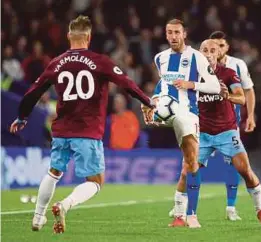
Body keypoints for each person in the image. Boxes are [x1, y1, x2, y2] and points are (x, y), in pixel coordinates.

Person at [10, 15, 154, 234]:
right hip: (87, 131)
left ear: (69, 36)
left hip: (61, 131)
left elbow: (33, 92)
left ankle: (38, 218)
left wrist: (22, 117)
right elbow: (127, 83)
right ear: (89, 36)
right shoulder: (100, 61)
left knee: (53, 173)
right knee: (96, 182)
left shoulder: (56, 62)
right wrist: (148, 101)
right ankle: (64, 205)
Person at [168, 39, 261, 228]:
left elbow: (241, 98)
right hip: (202, 133)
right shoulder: (191, 76)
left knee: (244, 170)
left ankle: (260, 209)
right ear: (199, 53)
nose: (208, 53)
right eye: (204, 50)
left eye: (212, 50)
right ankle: (179, 215)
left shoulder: (228, 74)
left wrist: (228, 96)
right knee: (186, 172)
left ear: (218, 54)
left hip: (226, 131)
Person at [145, 19, 222, 228]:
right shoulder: (160, 58)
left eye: (176, 32)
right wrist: (151, 102)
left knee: (191, 163)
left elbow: (215, 87)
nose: (173, 36)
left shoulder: (197, 57)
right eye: (169, 32)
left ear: (184, 34)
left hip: (188, 113)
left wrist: (191, 84)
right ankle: (181, 215)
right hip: (167, 109)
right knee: (188, 164)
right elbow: (162, 84)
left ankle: (188, 215)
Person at [209, 31, 256, 220]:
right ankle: (182, 206)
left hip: (229, 124)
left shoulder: (237, 65)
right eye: (215, 45)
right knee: (190, 163)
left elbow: (248, 91)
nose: (218, 49)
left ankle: (231, 208)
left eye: (221, 45)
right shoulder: (201, 63)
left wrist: (250, 116)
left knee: (233, 164)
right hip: (202, 123)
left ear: (227, 47)